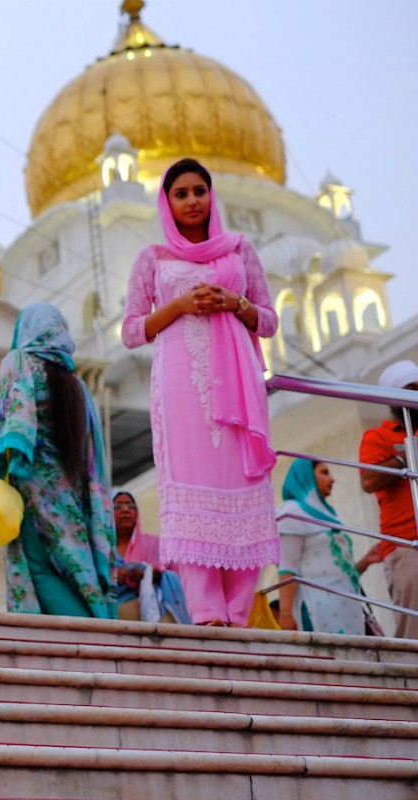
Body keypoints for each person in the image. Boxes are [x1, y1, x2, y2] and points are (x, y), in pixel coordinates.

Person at [122, 158, 279, 627]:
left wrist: (237, 304)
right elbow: (132, 331)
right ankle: (207, 613)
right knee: (193, 493)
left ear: (212, 196)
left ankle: (238, 613)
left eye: (200, 191)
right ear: (167, 203)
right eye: (181, 194)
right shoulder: (152, 258)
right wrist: (179, 305)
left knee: (242, 485)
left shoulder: (238, 250)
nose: (193, 201)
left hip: (239, 388)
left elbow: (268, 321)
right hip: (181, 391)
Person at [0, 303, 115, 619]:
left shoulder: (19, 362)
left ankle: (91, 631)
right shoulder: (77, 385)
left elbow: (9, 417)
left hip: (31, 482)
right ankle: (96, 621)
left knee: (38, 566)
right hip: (70, 488)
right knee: (74, 567)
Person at [277, 458, 383, 634]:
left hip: (349, 609)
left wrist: (365, 562)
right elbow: (287, 568)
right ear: (306, 477)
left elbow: (339, 575)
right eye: (324, 472)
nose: (332, 479)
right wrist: (286, 613)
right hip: (317, 608)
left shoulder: (329, 516)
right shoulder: (292, 512)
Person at [359, 359, 418, 639]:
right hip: (406, 545)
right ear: (394, 398)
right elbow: (369, 481)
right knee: (414, 629)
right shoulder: (377, 436)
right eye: (409, 390)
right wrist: (406, 455)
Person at [112, 491, 191, 624]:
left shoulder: (156, 544)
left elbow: (182, 575)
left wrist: (153, 574)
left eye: (130, 506)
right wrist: (112, 577)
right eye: (117, 506)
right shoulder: (102, 550)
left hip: (157, 612)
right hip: (113, 614)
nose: (125, 510)